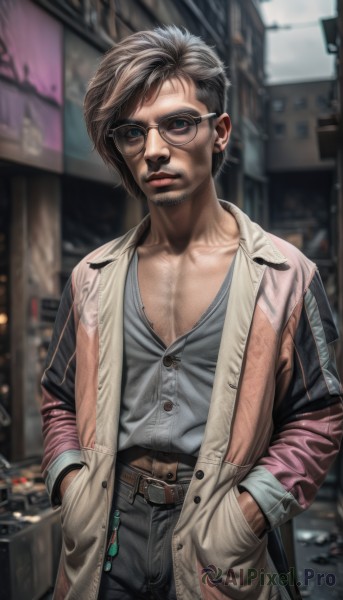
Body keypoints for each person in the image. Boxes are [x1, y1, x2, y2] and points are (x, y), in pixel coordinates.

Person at [41, 26, 343, 600]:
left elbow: (321, 413)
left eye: (177, 123)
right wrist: (72, 484)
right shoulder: (92, 277)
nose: (154, 149)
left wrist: (249, 511)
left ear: (219, 131)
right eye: (134, 132)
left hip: (220, 531)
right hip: (106, 527)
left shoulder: (285, 275)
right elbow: (57, 394)